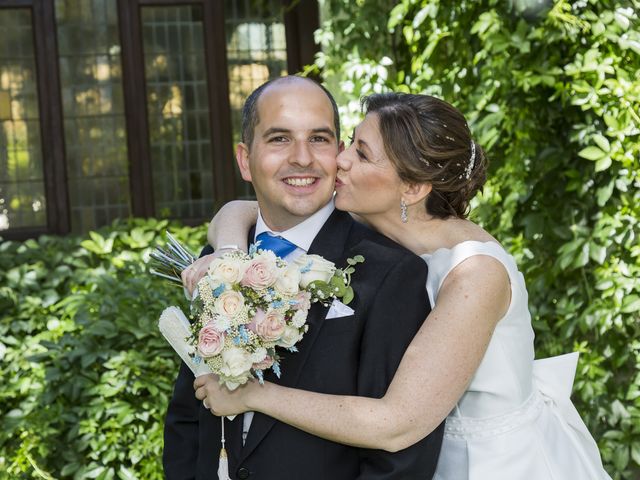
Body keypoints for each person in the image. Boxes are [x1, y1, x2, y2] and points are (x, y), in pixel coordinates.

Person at [192, 92, 612, 479]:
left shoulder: (475, 274)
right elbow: (239, 208)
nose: (339, 161)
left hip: (490, 462)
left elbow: (398, 423)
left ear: (411, 187)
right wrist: (229, 255)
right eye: (350, 142)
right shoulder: (381, 222)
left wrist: (253, 396)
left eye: (362, 153)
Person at [163, 76, 444, 480]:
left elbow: (402, 459)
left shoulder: (391, 273)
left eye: (319, 139)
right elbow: (188, 414)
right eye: (279, 139)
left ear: (340, 153)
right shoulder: (218, 261)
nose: (302, 158)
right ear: (245, 159)